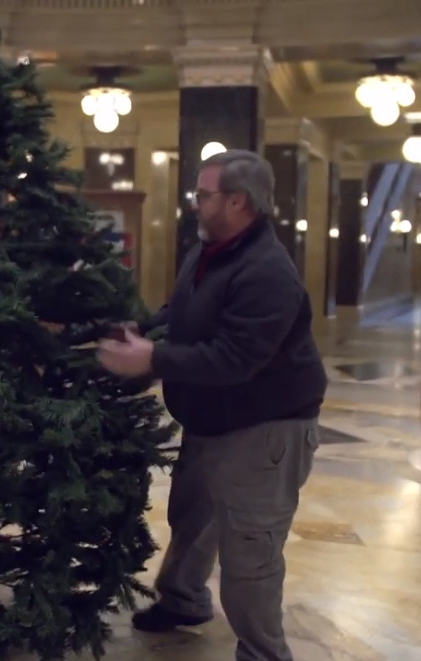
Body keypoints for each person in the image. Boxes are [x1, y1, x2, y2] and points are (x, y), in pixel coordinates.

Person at [96, 149, 327, 661]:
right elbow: (181, 313)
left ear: (238, 201)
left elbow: (235, 358)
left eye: (202, 195)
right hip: (212, 418)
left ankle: (265, 653)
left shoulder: (268, 272)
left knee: (250, 552)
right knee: (193, 518)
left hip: (265, 428)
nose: (194, 205)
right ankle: (183, 600)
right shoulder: (211, 248)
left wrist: (151, 359)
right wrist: (142, 332)